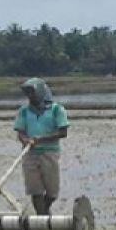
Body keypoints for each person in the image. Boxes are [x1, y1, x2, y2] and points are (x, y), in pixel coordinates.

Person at [13, 78, 69, 216]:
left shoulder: (56, 110)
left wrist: (41, 139)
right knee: (35, 190)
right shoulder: (24, 112)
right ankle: (42, 218)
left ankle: (44, 211)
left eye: (32, 93)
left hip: (49, 153)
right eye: (28, 94)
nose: (30, 96)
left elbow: (63, 132)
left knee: (52, 192)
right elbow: (20, 133)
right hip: (30, 154)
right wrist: (25, 140)